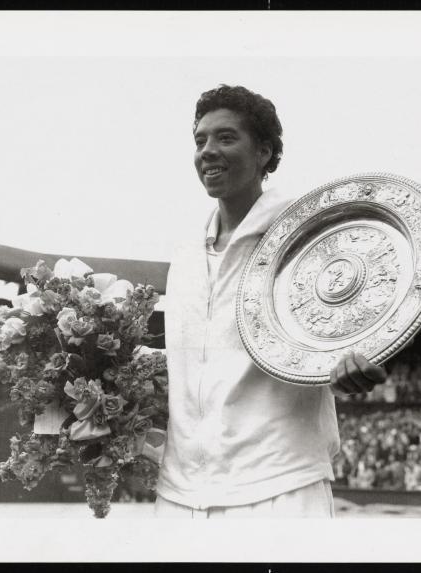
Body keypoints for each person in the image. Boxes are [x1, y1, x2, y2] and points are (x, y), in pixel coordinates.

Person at [155, 85, 387, 518]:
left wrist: (350, 360)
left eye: (226, 138)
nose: (207, 150)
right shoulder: (185, 255)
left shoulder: (309, 237)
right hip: (180, 493)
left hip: (280, 486)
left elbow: (347, 327)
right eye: (200, 140)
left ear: (264, 153)